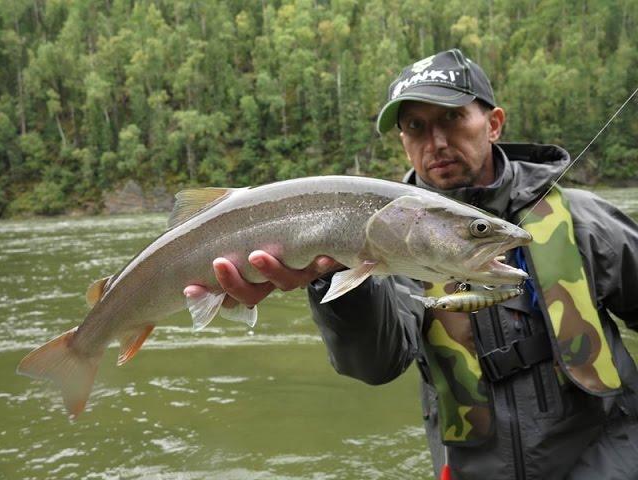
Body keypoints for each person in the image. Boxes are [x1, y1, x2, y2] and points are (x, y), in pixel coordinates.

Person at [184, 49, 638, 480]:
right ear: (403, 142)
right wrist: (333, 278)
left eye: (453, 118)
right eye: (416, 127)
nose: (437, 141)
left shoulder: (587, 221)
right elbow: (376, 363)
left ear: (493, 123)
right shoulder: (386, 241)